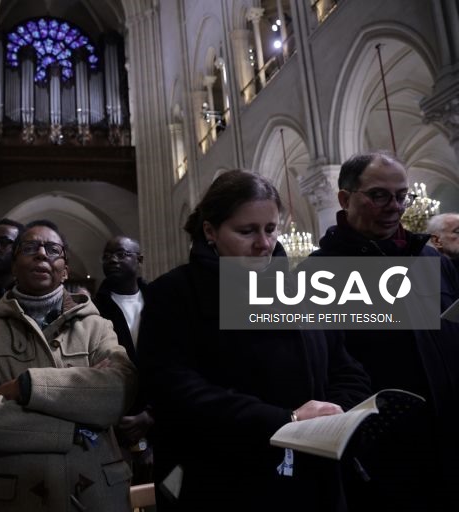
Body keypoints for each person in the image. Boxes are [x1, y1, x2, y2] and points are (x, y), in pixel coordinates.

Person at [138, 170, 371, 511]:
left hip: (314, 477)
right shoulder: (174, 294)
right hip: (225, 481)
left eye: (271, 229)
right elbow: (174, 388)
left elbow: (346, 366)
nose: (264, 243)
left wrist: (335, 413)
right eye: (246, 231)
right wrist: (284, 420)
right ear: (210, 231)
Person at [305, 151, 459, 511]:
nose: (394, 206)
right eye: (379, 195)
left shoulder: (430, 258)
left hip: (450, 435)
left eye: (402, 195)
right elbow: (323, 368)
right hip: (381, 452)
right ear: (344, 199)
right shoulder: (318, 274)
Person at [0, 220, 137, 512]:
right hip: (13, 496)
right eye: (29, 247)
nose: (41, 254)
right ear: (13, 266)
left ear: (65, 270)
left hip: (96, 494)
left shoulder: (97, 327)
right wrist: (76, 426)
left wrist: (26, 387)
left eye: (53, 249)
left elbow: (118, 393)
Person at [93, 236, 153, 484]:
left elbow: (176, 362)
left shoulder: (159, 300)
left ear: (138, 259)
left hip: (161, 416)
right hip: (116, 425)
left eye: (120, 254)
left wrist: (152, 415)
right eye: (107, 256)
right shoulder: (94, 309)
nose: (112, 260)